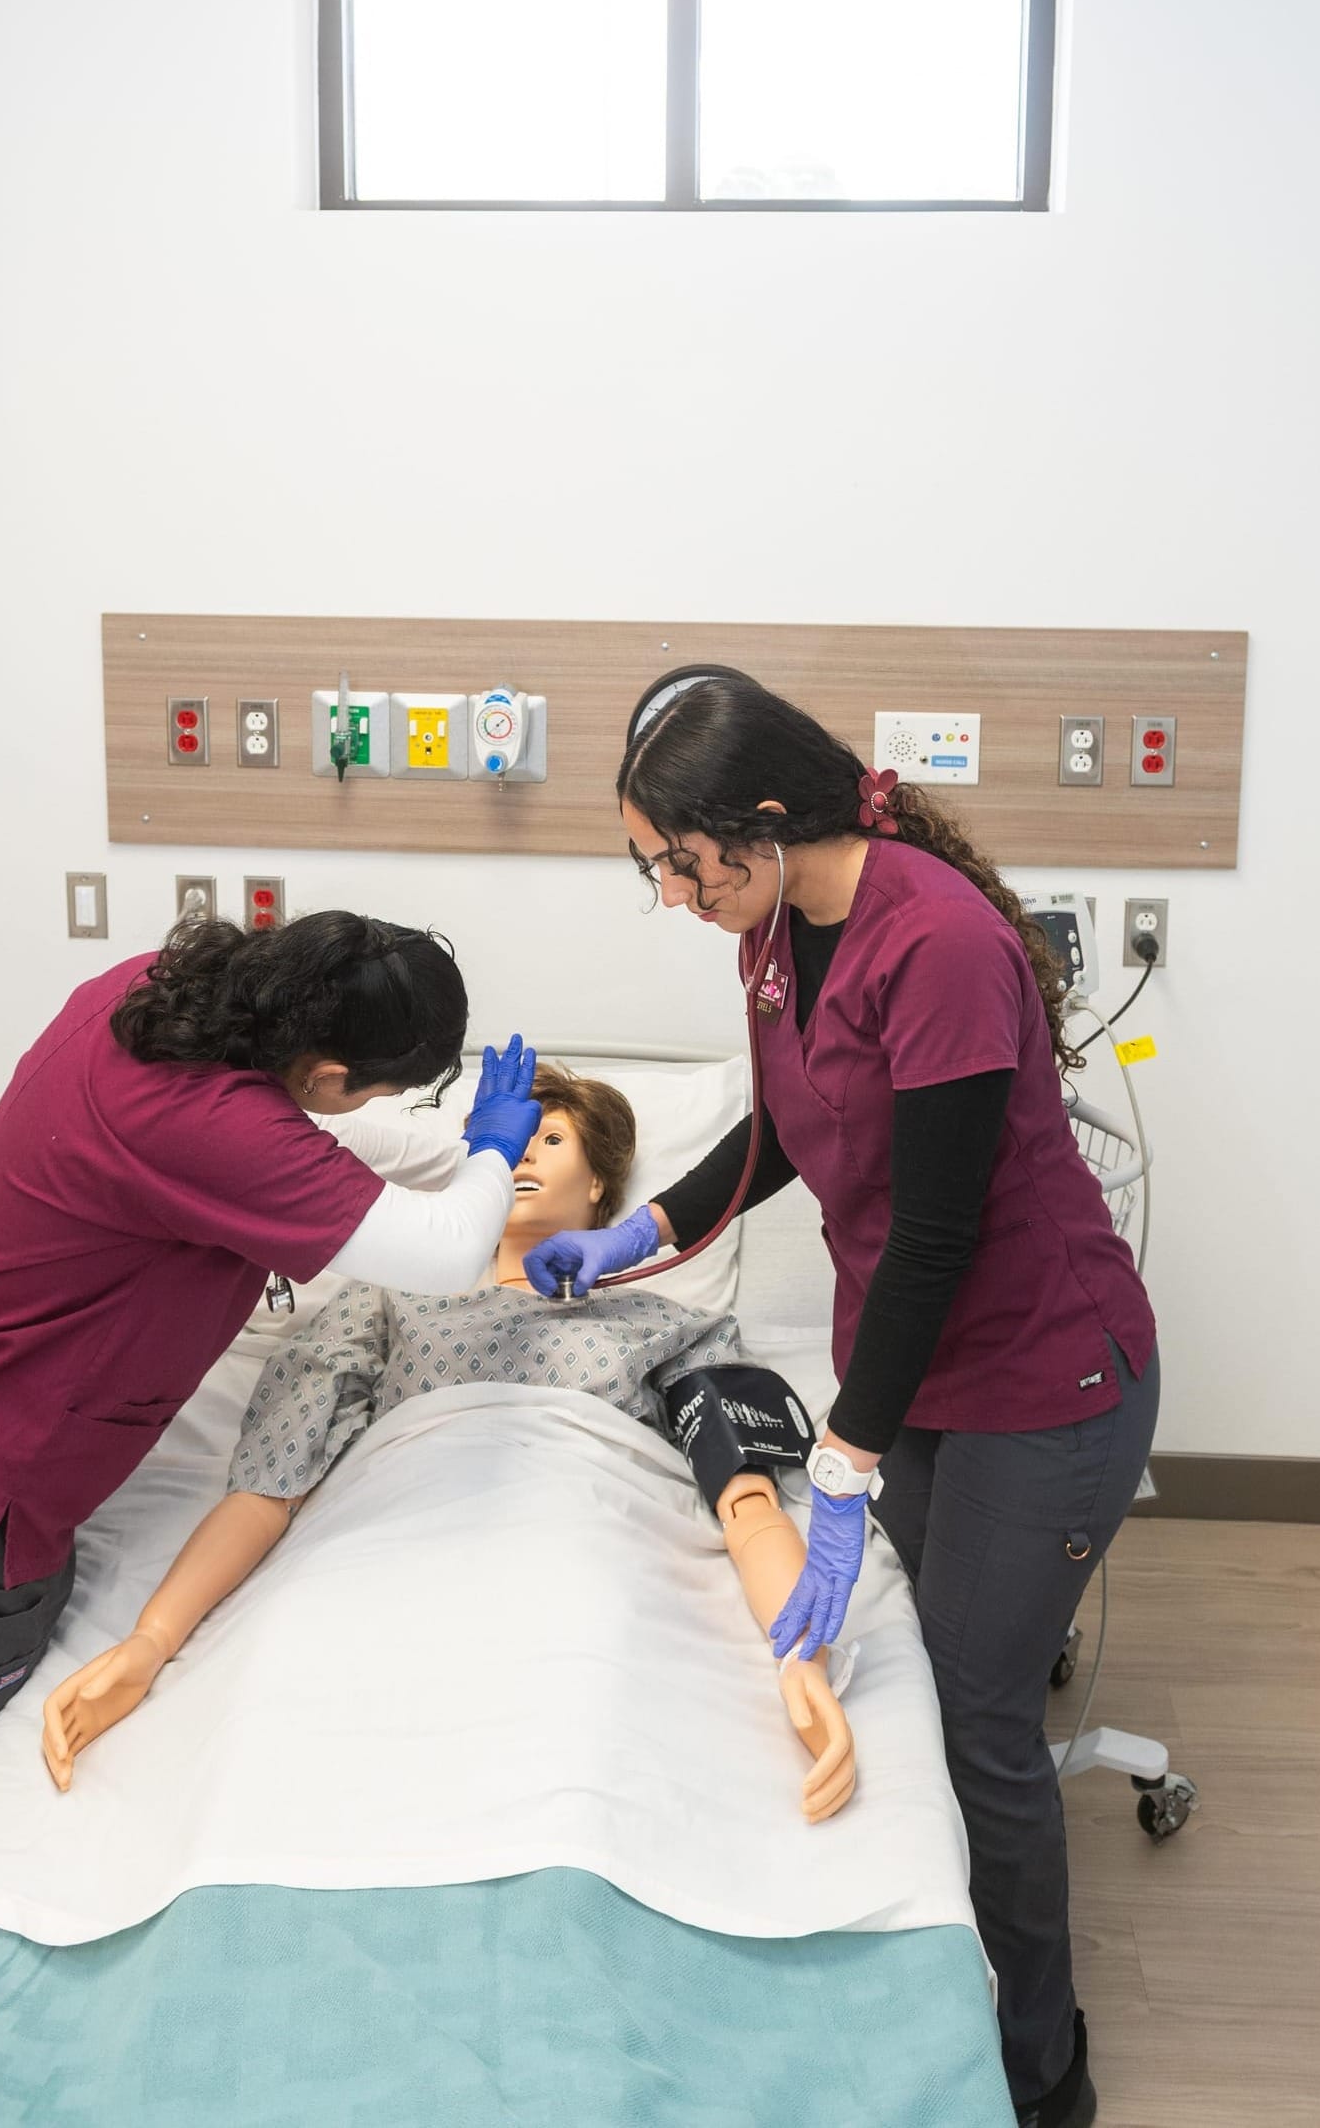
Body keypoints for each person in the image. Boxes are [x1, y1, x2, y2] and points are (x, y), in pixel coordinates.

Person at [0, 911, 544, 2105]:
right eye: (350, 1092)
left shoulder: (154, 994)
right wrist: (487, 1154)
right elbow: (441, 1252)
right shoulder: (207, 1127)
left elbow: (335, 1137)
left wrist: (452, 1146)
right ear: (319, 1070)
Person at [525, 669, 1160, 2128]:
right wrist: (645, 1229)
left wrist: (845, 1462)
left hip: (1044, 1372)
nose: (674, 892)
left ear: (756, 823)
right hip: (926, 1357)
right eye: (654, 869)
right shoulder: (775, 929)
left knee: (982, 1717)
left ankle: (1043, 2063)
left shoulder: (934, 939)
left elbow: (938, 1228)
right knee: (928, 1677)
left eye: (678, 862)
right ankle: (941, 1970)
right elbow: (791, 1125)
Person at [39, 1063, 855, 1822]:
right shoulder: (391, 1303)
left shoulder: (668, 1326)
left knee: (578, 1715)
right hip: (393, 1546)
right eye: (514, 1139)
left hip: (575, 1555)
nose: (525, 1153)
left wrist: (801, 1658)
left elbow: (745, 1503)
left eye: (553, 1138)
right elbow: (271, 1485)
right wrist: (153, 1638)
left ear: (601, 1181)